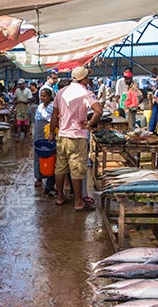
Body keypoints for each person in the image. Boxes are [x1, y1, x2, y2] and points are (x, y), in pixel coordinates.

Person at [48, 66, 102, 212]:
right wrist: (90, 124)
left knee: (60, 168)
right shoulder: (86, 93)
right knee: (77, 170)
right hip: (77, 137)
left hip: (62, 135)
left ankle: (60, 197)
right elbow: (99, 111)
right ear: (83, 79)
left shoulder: (61, 92)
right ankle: (78, 202)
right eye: (87, 78)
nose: (89, 80)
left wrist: (52, 132)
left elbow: (54, 116)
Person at [34, 88, 57, 196]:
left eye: (44, 96)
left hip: (48, 133)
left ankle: (49, 181)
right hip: (38, 133)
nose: (42, 98)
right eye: (41, 96)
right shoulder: (39, 106)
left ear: (49, 97)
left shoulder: (53, 106)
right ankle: (39, 177)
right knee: (38, 155)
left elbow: (53, 120)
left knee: (49, 157)